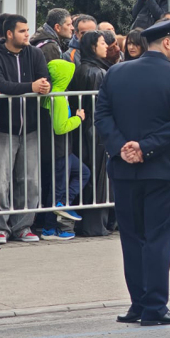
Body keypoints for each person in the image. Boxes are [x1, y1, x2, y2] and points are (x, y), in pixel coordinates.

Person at [95, 19, 170, 326]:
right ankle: (154, 307)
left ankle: (138, 303)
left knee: (132, 238)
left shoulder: (116, 72)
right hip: (162, 169)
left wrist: (123, 147)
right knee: (158, 239)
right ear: (166, 42)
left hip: (124, 169)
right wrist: (146, 147)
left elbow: (102, 116)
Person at [0, 14, 51, 244]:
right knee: (0, 181)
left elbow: (45, 77)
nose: (27, 34)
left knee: (30, 180)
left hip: (30, 127)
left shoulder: (35, 53)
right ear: (9, 33)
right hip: (3, 127)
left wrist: (44, 85)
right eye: (22, 31)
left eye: (28, 30)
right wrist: (30, 87)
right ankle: (0, 227)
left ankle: (24, 226)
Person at [38, 59, 90, 241]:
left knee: (83, 173)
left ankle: (63, 205)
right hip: (59, 149)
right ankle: (49, 229)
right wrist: (78, 118)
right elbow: (60, 127)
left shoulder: (52, 94)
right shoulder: (58, 97)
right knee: (57, 189)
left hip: (58, 149)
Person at [70, 30, 113, 237]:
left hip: (84, 132)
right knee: (98, 179)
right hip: (95, 134)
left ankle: (89, 224)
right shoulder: (96, 72)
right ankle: (95, 225)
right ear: (92, 47)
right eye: (102, 43)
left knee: (91, 179)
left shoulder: (83, 69)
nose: (106, 46)